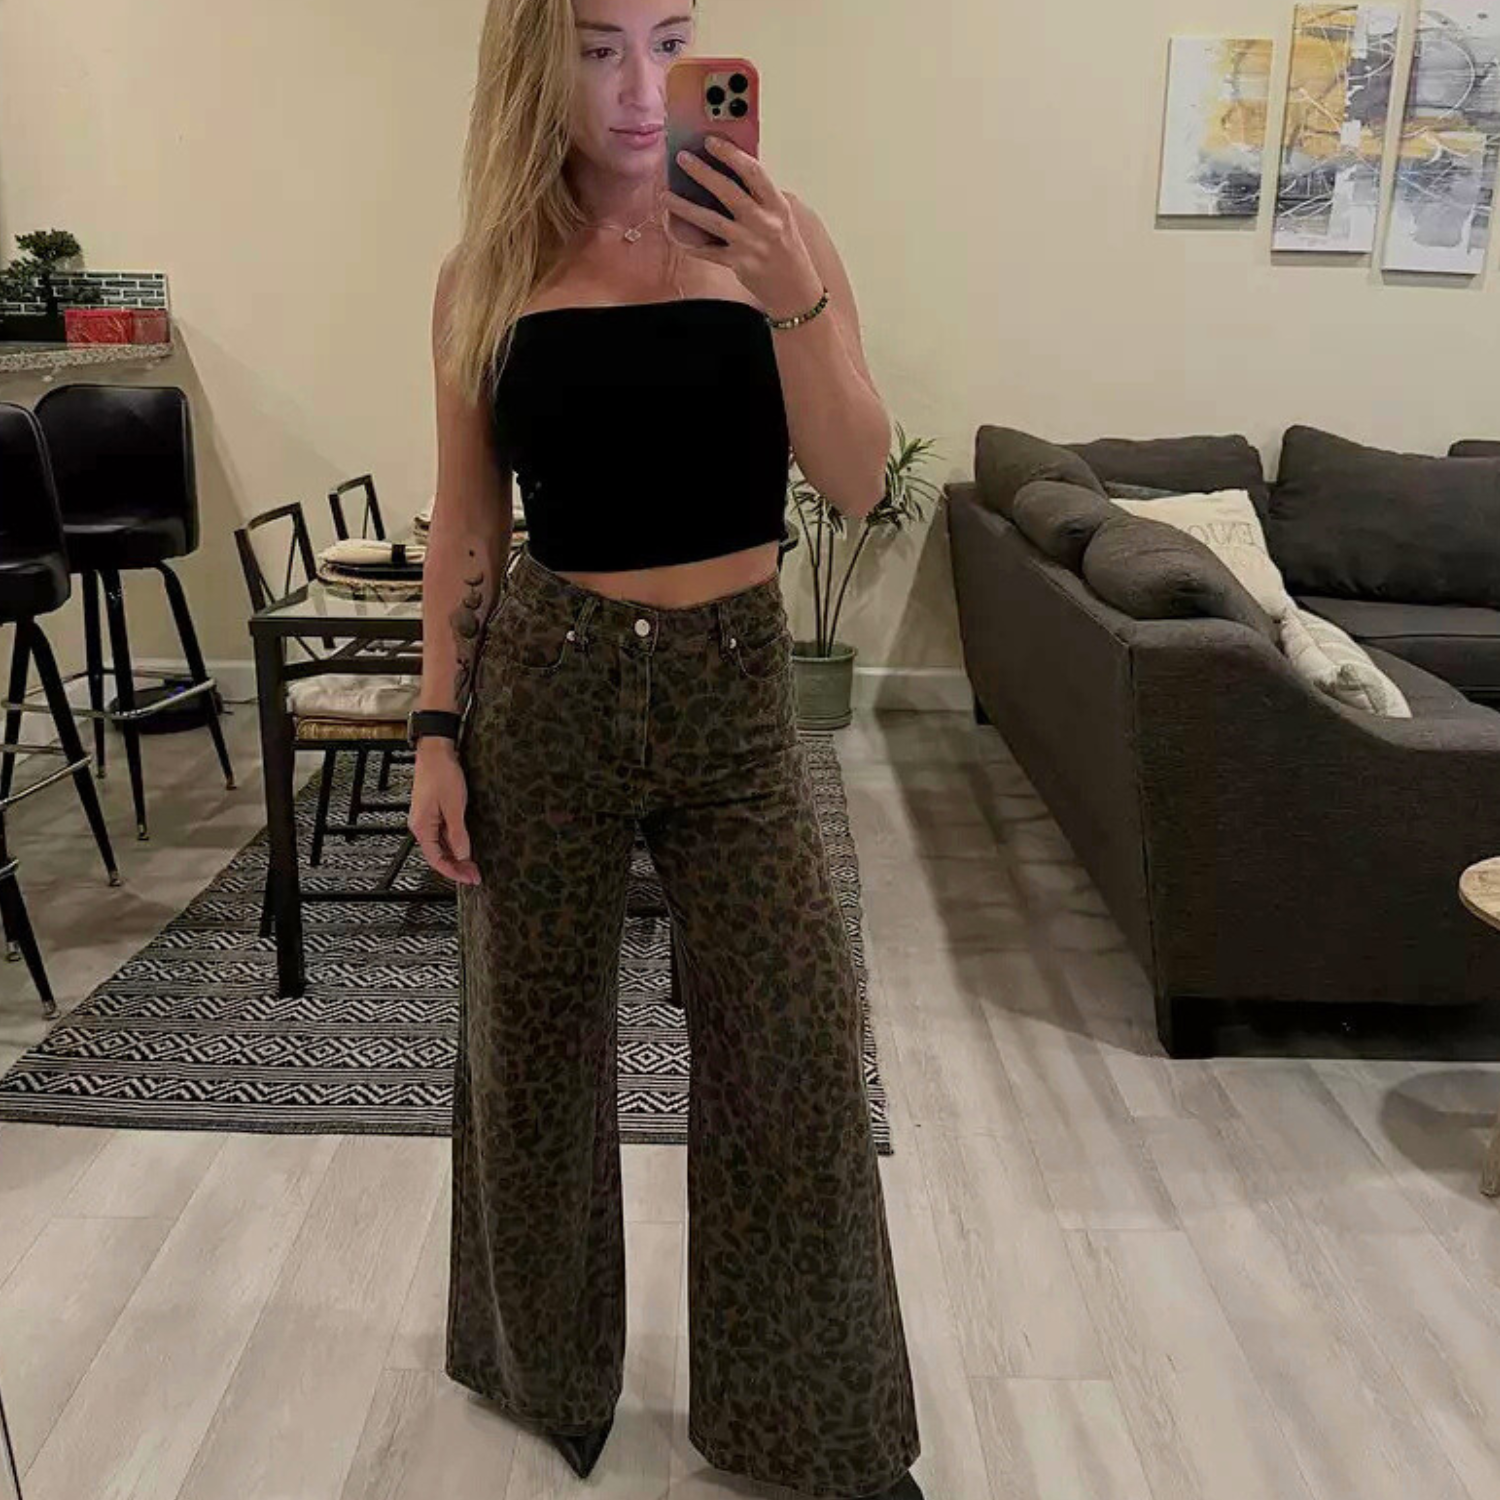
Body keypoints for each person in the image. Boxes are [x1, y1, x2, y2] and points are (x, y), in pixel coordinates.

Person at [408, 2, 922, 1495]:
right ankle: (541, 1372)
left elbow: (857, 479)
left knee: (794, 1050)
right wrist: (435, 727)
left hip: (734, 701)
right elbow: (467, 522)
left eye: (669, 38)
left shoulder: (780, 238)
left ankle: (813, 1428)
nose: (643, 85)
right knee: (529, 1050)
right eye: (597, 46)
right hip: (548, 689)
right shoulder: (487, 275)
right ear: (533, 63)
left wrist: (790, 296)